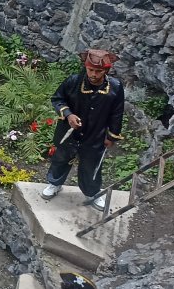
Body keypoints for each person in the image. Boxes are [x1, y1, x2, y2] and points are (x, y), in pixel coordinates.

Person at [42, 49, 125, 209]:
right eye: (91, 70)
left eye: (98, 71)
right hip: (69, 132)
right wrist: (68, 114)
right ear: (86, 67)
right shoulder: (73, 81)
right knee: (61, 159)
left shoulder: (115, 87)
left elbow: (117, 113)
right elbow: (57, 98)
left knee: (91, 164)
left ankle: (92, 192)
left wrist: (111, 136)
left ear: (106, 70)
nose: (93, 74)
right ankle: (55, 183)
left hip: (96, 134)